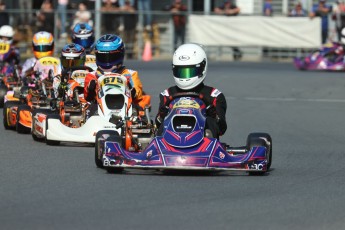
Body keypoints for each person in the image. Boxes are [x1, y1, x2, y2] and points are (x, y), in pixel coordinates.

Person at [155, 43, 227, 139]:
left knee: (209, 121)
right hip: (170, 143)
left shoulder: (214, 96)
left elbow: (222, 128)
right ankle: (160, 147)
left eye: (190, 71)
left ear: (202, 67)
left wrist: (213, 115)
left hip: (204, 146)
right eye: (181, 72)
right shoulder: (167, 94)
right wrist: (162, 114)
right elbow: (158, 124)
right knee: (165, 122)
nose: (185, 77)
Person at [84, 34, 149, 110]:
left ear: (120, 55)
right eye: (103, 57)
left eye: (111, 57)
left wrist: (132, 92)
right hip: (99, 111)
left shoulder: (130, 74)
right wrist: (91, 89)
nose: (107, 61)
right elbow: (87, 97)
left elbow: (138, 94)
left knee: (138, 110)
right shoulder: (92, 75)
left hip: (125, 109)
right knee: (89, 109)